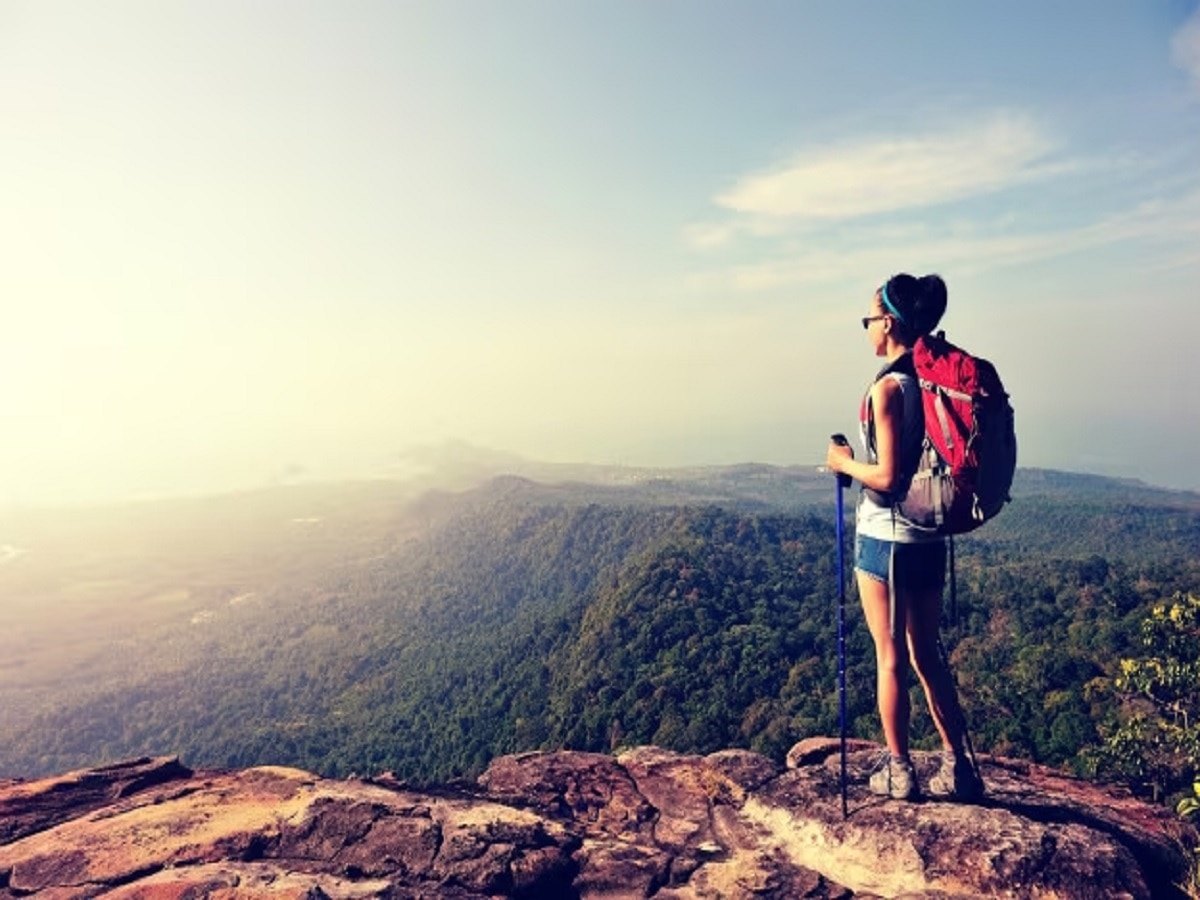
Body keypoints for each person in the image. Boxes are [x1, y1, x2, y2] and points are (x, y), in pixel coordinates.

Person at [825, 273, 983, 802]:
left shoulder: (889, 387)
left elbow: (889, 478)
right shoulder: (931, 381)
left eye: (869, 319)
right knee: (928, 655)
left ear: (888, 323)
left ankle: (899, 769)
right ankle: (958, 764)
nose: (866, 328)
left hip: (886, 540)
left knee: (890, 656)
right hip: (929, 538)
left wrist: (844, 463)